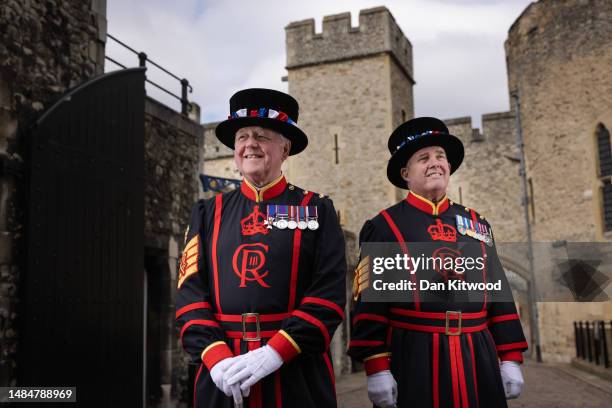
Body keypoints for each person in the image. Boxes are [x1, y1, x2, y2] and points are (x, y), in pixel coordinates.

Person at [176, 88, 346, 407]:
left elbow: (330, 293)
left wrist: (276, 351)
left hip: (295, 371)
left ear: (285, 148)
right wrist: (216, 357)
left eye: (262, 136)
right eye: (242, 136)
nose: (250, 144)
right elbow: (189, 294)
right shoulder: (206, 213)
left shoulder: (318, 210)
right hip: (223, 375)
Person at [348, 117, 528, 408]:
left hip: (477, 354)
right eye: (424, 158)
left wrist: (510, 358)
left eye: (440, 157)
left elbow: (499, 293)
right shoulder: (384, 226)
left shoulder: (476, 224)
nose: (435, 163)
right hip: (414, 355)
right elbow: (370, 305)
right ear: (405, 173)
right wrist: (377, 366)